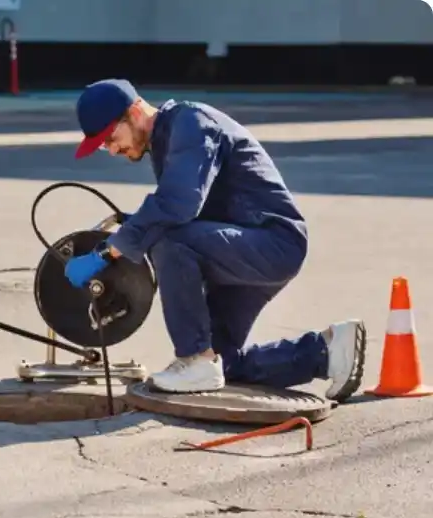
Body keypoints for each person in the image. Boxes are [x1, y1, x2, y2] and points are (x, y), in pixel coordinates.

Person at [63, 78, 366, 400]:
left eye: (111, 137)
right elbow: (177, 209)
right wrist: (127, 235)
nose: (111, 150)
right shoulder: (167, 140)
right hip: (240, 247)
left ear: (135, 111)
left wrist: (107, 252)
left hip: (272, 243)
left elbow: (178, 204)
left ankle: (194, 360)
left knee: (170, 240)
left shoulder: (192, 123)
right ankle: (328, 351)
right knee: (225, 364)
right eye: (102, 146)